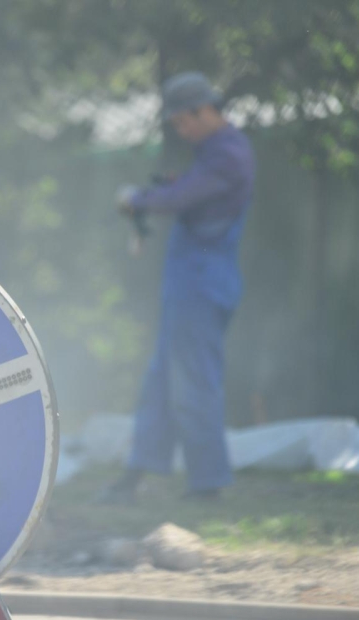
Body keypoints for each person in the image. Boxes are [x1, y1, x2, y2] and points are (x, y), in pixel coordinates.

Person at [103, 72, 255, 502]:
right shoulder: (213, 153)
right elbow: (191, 193)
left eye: (183, 122)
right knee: (161, 379)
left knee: (195, 383)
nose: (181, 130)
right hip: (190, 283)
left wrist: (138, 199)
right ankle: (137, 474)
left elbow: (181, 199)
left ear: (205, 110)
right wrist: (172, 188)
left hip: (203, 285)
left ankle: (208, 485)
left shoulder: (228, 153)